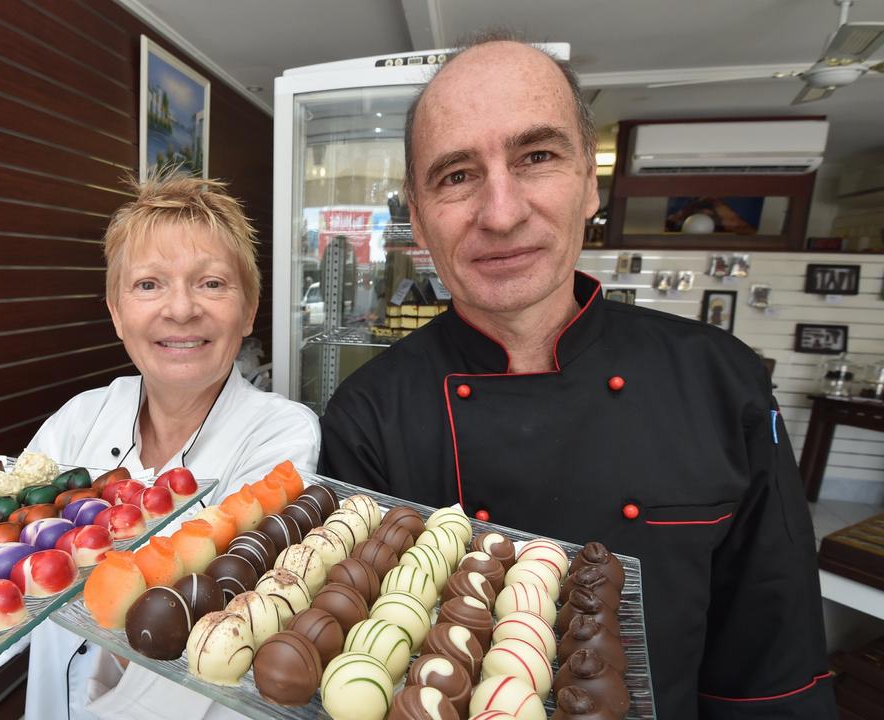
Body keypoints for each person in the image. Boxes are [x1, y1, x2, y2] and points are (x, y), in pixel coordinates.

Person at [318, 34, 834, 719]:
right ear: (416, 215)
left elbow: (771, 670)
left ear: (590, 180)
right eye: (456, 175)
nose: (501, 214)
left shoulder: (720, 383)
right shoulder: (366, 415)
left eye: (536, 156)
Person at [0, 173, 319, 720]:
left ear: (248, 310)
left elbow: (221, 607)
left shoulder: (281, 433)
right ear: (116, 312)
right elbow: (4, 575)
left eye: (212, 283)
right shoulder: (78, 420)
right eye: (148, 285)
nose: (181, 309)